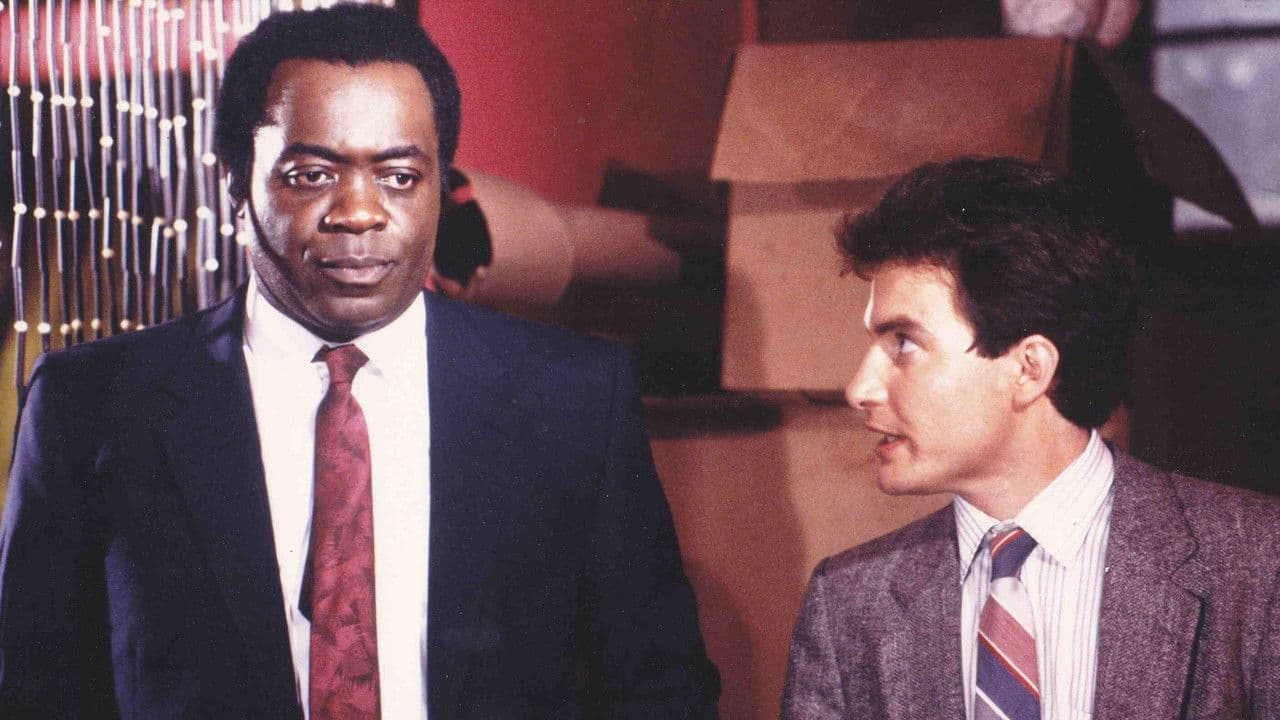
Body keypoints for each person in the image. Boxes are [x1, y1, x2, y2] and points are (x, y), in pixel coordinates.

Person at [0, 5, 718, 718]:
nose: (359, 212)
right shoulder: (90, 405)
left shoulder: (575, 399)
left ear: (440, 188)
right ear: (237, 188)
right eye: (312, 175)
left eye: (399, 177)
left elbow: (660, 690)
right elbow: (33, 694)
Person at [780, 157, 1280, 719]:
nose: (858, 389)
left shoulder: (1257, 563)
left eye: (903, 343)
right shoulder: (847, 603)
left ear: (1029, 368)